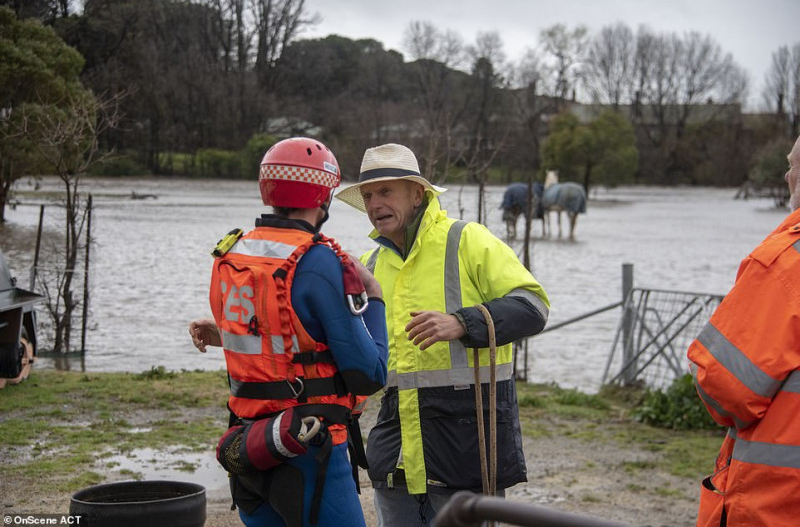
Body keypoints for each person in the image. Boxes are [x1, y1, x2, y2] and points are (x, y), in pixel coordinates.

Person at [333, 143, 550, 526]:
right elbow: (362, 352)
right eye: (368, 195)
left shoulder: (467, 239)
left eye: (385, 191)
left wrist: (463, 323)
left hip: (465, 448)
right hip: (395, 453)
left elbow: (533, 308)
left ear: (417, 194)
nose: (374, 203)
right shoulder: (370, 266)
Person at [189, 137, 388, 527]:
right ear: (323, 195)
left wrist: (218, 334)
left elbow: (270, 337)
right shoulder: (317, 260)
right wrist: (375, 298)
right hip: (310, 448)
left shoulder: (231, 254)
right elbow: (370, 372)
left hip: (248, 446)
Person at [687, 134, 800, 527]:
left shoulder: (786, 264)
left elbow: (725, 387)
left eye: (793, 166)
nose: (787, 176)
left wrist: (700, 369)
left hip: (779, 505)